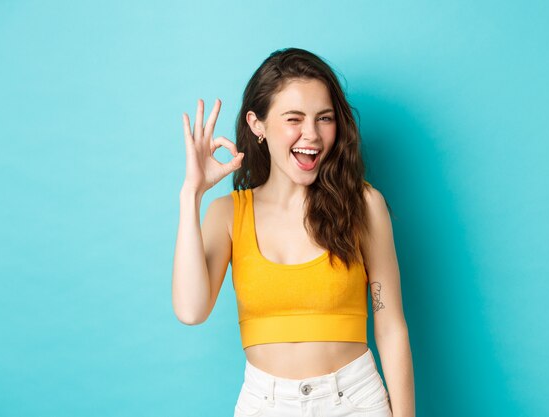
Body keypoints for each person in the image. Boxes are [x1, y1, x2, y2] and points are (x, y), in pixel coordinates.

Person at [172, 47, 415, 417]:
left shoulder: (364, 205)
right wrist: (191, 194)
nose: (312, 135)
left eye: (324, 118)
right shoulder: (227, 214)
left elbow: (391, 326)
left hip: (355, 400)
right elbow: (191, 310)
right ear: (258, 125)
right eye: (294, 119)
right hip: (264, 404)